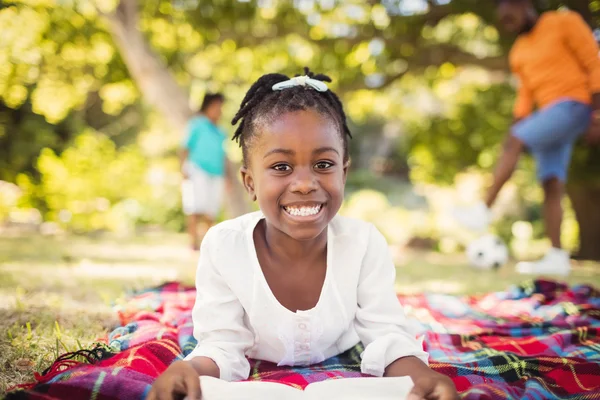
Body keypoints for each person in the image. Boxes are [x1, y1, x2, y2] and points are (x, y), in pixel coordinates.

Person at [149, 70, 458, 400]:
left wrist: (422, 379)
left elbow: (387, 335)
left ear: (344, 171)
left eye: (323, 164)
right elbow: (222, 344)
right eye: (281, 167)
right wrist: (190, 369)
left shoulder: (364, 243)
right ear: (250, 181)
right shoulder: (224, 247)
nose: (305, 183)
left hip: (342, 348)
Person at [454, 0, 600, 275]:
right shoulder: (519, 51)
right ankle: (557, 256)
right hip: (550, 115)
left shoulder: (563, 21)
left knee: (518, 140)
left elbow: (593, 60)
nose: (508, 25)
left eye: (510, 17)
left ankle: (483, 209)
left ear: (524, 5)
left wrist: (597, 114)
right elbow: (525, 97)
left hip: (575, 104)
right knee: (551, 183)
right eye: (504, 22)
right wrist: (514, 132)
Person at [180, 93, 227, 251]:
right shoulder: (197, 124)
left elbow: (223, 155)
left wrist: (227, 178)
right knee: (195, 207)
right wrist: (183, 168)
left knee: (211, 209)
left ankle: (207, 243)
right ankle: (193, 243)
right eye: (216, 106)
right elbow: (185, 147)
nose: (219, 110)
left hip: (216, 173)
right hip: (197, 169)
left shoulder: (220, 131)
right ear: (208, 106)